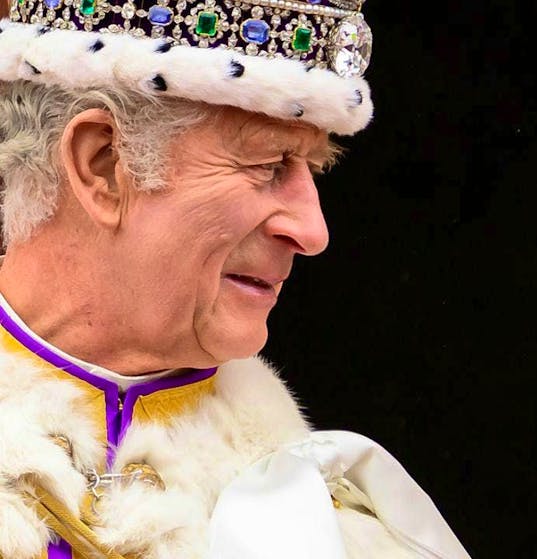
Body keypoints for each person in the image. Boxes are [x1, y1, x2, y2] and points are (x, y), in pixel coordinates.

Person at [0, 0, 471, 557]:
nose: (313, 231)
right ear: (103, 164)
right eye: (270, 164)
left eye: (311, 169)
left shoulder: (319, 525)